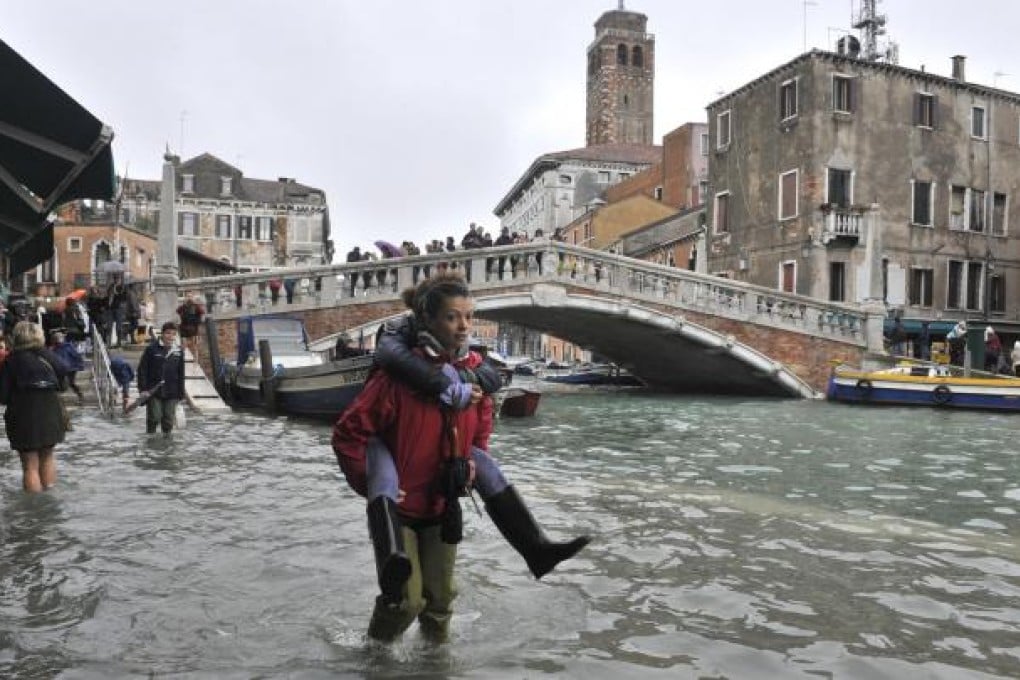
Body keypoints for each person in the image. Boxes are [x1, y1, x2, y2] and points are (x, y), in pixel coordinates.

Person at [333, 273, 589, 642]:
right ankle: (373, 659)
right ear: (429, 320)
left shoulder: (475, 377)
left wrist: (472, 463)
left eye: (469, 317)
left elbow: (481, 431)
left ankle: (435, 667)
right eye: (453, 317)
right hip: (400, 509)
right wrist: (369, 483)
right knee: (406, 602)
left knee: (440, 603)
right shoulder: (396, 379)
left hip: (442, 504)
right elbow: (347, 435)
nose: (464, 326)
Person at [0, 321, 69, 492]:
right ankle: (49, 495)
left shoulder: (12, 361)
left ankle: (34, 508)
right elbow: (64, 381)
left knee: (29, 464)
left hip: (23, 412)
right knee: (47, 457)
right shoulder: (49, 356)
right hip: (51, 409)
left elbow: (3, 395)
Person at [137, 321, 187, 435]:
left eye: (174, 334)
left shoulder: (178, 352)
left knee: (168, 420)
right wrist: (143, 389)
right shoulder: (151, 349)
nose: (171, 336)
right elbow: (142, 370)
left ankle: (167, 444)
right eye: (168, 333)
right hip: (154, 390)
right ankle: (150, 437)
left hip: (172, 391)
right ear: (162, 334)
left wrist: (181, 393)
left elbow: (181, 373)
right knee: (154, 417)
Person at [51, 331, 85, 403]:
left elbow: (76, 356)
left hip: (71, 368)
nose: (58, 340)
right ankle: (58, 399)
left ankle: (80, 396)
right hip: (61, 368)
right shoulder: (54, 349)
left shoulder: (68, 346)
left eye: (59, 338)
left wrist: (80, 365)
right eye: (56, 338)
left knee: (71, 383)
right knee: (61, 383)